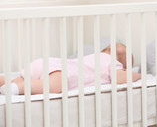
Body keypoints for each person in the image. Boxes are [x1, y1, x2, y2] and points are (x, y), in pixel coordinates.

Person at [0, 43, 141, 95]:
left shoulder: (93, 57)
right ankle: (17, 88)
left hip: (46, 63)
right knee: (53, 86)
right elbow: (121, 78)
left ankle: (7, 82)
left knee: (19, 79)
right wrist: (137, 75)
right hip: (60, 70)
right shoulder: (112, 62)